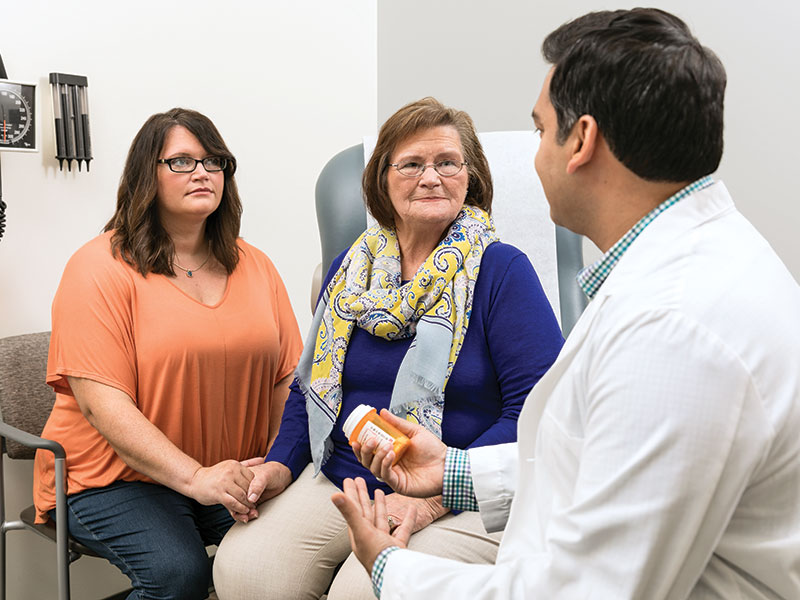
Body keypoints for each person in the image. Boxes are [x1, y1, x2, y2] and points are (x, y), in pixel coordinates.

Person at [333, 8, 800, 599]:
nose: (533, 157)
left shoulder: (673, 327)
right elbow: (593, 459)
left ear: (580, 141)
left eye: (537, 131)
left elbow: (584, 592)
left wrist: (391, 569)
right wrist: (453, 471)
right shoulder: (678, 271)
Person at [211, 97, 564, 599]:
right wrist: (280, 465)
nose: (431, 177)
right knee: (248, 570)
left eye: (447, 162)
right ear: (382, 180)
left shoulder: (502, 270)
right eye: (412, 164)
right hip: (345, 473)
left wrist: (434, 496)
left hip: (460, 492)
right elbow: (309, 388)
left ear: (471, 178)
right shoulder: (348, 271)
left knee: (366, 590)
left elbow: (536, 410)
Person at [32, 108, 303, 599]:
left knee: (295, 554)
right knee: (179, 576)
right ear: (145, 176)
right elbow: (102, 405)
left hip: (230, 471)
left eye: (214, 161)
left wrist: (277, 465)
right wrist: (195, 477)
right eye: (181, 161)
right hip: (112, 478)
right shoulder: (98, 267)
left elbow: (287, 381)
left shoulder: (256, 266)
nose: (202, 172)